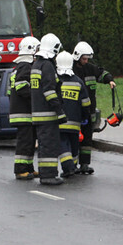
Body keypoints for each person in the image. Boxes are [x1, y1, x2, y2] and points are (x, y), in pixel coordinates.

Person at [72, 41, 115, 174]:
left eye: (87, 59)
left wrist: (110, 80)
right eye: (84, 59)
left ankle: (84, 164)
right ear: (77, 56)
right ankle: (72, 166)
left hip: (88, 112)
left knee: (87, 139)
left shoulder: (90, 68)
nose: (86, 61)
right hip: (74, 112)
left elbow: (101, 73)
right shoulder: (71, 70)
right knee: (73, 139)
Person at [31, 33, 65, 186]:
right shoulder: (47, 66)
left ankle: (46, 174)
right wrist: (59, 111)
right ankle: (49, 175)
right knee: (50, 146)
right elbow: (49, 91)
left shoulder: (36, 64)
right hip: (48, 115)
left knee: (44, 146)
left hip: (38, 114)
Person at [9, 36, 40, 180]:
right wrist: (36, 96)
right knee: (25, 142)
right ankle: (20, 170)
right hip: (23, 113)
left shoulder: (21, 66)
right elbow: (21, 86)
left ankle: (28, 168)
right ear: (32, 50)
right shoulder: (25, 66)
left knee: (29, 142)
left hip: (24, 112)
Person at [55, 51, 90, 179]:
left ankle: (68, 167)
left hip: (60, 121)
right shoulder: (78, 81)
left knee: (63, 144)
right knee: (74, 145)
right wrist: (85, 117)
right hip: (75, 122)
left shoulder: (56, 80)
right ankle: (73, 167)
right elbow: (86, 103)